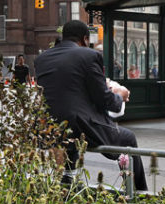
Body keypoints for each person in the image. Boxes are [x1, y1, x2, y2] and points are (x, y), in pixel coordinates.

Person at [35, 20, 146, 192]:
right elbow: (105, 99)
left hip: (49, 127)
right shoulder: (88, 55)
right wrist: (120, 96)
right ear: (85, 39)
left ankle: (66, 188)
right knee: (128, 138)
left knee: (69, 135)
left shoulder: (42, 59)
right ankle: (139, 193)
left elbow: (67, 91)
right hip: (79, 126)